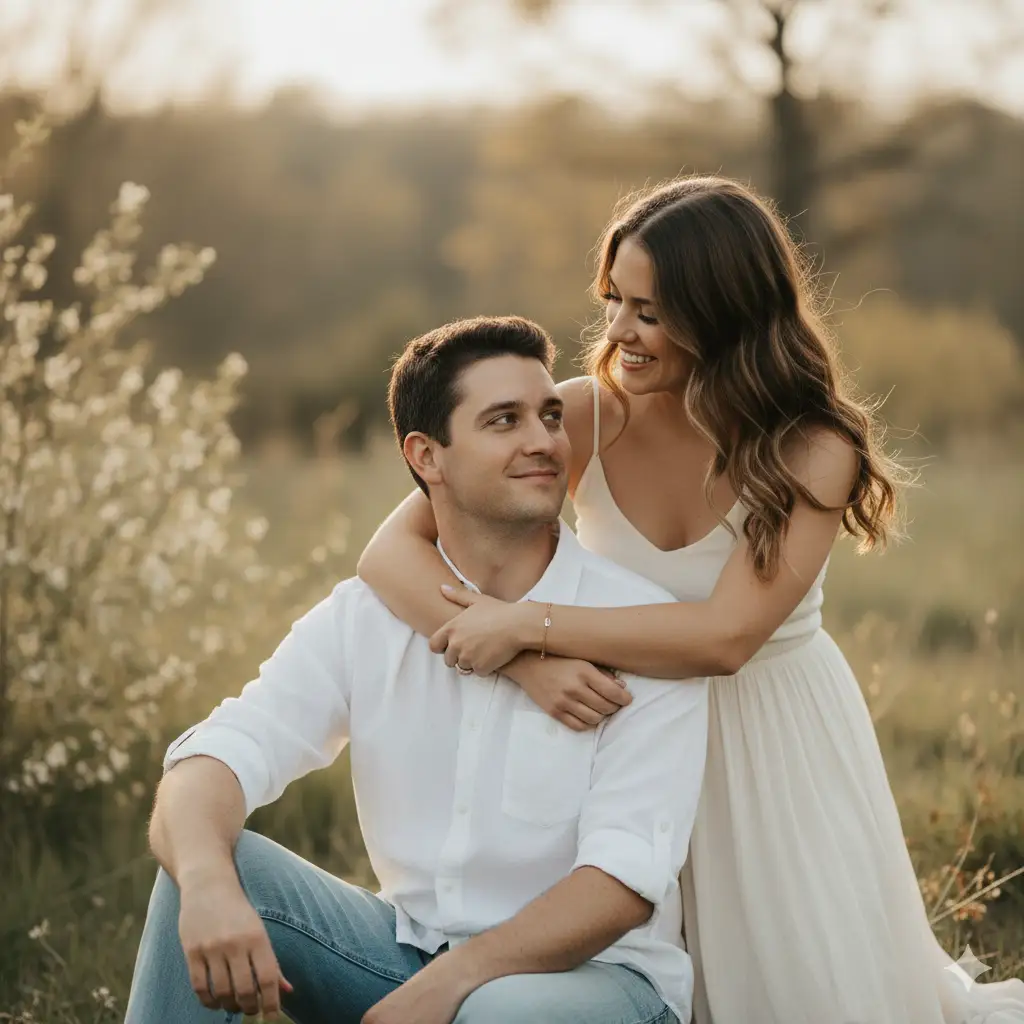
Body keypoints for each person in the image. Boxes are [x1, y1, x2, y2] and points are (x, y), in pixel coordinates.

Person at [358, 178, 1024, 1023]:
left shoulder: (809, 446)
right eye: (615, 302)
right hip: (626, 730)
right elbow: (388, 554)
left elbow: (724, 638)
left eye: (651, 311)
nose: (620, 334)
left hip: (773, 737)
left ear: (724, 310)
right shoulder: (585, 416)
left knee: (797, 983)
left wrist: (529, 624)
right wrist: (528, 666)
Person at [125, 315, 708, 1024]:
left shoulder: (637, 629)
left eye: (551, 416)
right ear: (427, 456)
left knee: (495, 1013)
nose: (545, 441)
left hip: (600, 984)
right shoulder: (365, 617)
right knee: (212, 860)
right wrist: (208, 883)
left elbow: (622, 886)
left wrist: (451, 987)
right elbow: (220, 751)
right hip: (406, 953)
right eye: (504, 421)